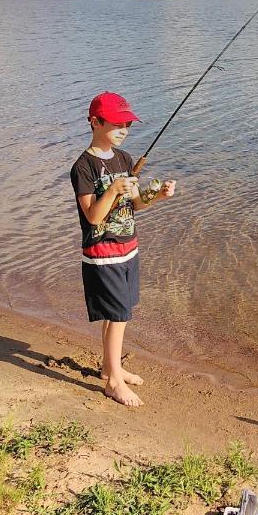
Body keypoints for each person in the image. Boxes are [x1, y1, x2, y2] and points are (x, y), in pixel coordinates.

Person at [70, 92, 176, 407]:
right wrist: (115, 188)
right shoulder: (84, 166)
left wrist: (157, 196)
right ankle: (114, 382)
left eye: (127, 123)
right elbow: (94, 215)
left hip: (128, 248)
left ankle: (109, 367)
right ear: (95, 122)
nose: (124, 129)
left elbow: (135, 204)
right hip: (103, 254)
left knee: (121, 313)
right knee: (118, 316)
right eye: (116, 123)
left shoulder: (124, 159)